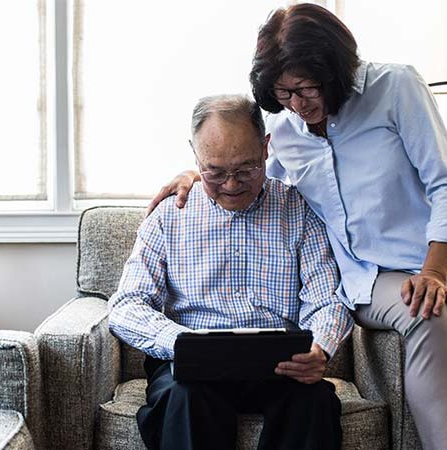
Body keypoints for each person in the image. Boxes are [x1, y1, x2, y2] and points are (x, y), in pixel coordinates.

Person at [148, 4, 447, 450]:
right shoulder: (283, 123)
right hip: (374, 277)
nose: (297, 104)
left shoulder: (395, 88)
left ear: (334, 69)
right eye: (283, 93)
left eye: (305, 89)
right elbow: (252, 181)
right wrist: (199, 176)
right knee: (426, 313)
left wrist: (433, 272)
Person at [109, 94, 353, 450]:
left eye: (246, 169)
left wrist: (321, 347)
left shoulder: (298, 209)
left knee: (314, 401)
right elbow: (127, 304)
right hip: (189, 367)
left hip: (279, 365)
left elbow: (327, 298)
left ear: (266, 147)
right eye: (216, 172)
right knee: (185, 397)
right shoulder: (168, 216)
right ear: (195, 156)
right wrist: (179, 342)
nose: (232, 184)